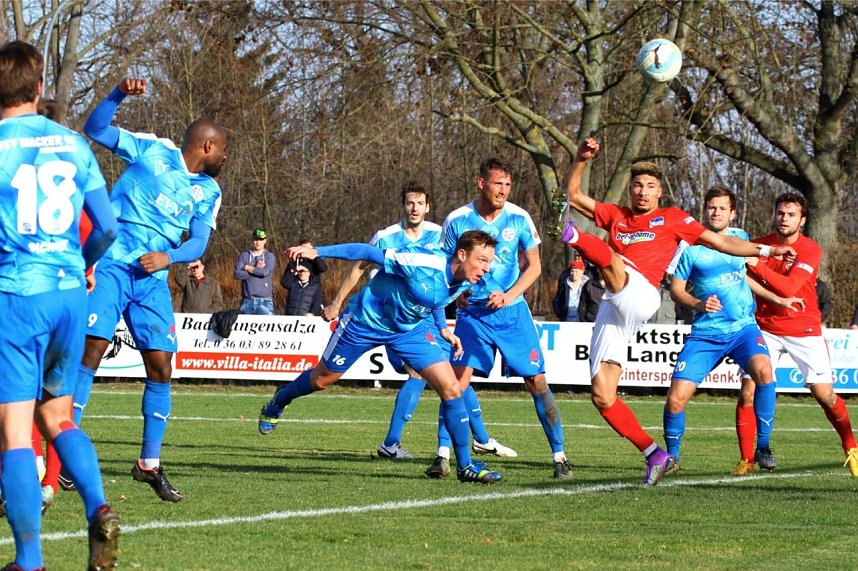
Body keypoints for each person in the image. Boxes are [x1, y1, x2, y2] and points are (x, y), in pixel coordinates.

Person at [561, 137, 795, 485]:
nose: (642, 191)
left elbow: (722, 241)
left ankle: (570, 235)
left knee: (610, 259)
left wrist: (764, 251)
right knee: (603, 396)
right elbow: (574, 195)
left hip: (641, 292)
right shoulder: (616, 216)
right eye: (637, 185)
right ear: (631, 190)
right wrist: (580, 159)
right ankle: (656, 455)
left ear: (659, 194)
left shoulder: (673, 219)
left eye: (650, 186)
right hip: (613, 306)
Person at [76, 77, 227, 503]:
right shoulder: (153, 149)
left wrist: (170, 258)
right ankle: (63, 455)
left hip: (152, 282)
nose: (226, 158)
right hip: (110, 265)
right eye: (225, 150)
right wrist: (118, 94)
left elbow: (198, 242)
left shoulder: (208, 190)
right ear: (208, 147)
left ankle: (149, 464)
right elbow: (97, 129)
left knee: (161, 366)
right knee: (91, 352)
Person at [0, 40, 121, 571]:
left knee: (13, 429)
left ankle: (29, 562)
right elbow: (109, 227)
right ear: (40, 87)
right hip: (71, 292)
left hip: (17, 295)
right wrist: (83, 260)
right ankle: (99, 506)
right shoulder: (73, 144)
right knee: (58, 415)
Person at [258, 231, 504, 484]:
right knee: (321, 380)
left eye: (490, 262)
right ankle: (279, 400)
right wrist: (317, 251)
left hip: (409, 331)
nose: (487, 268)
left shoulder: (467, 279)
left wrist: (442, 329)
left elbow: (437, 299)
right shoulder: (422, 263)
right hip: (364, 323)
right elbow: (366, 252)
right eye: (483, 260)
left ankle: (465, 466)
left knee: (452, 388)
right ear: (462, 255)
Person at [432, 157, 572, 481]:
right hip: (473, 316)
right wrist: (458, 294)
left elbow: (534, 267)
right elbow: (447, 267)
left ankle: (560, 455)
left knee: (536, 381)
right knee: (455, 384)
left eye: (508, 185)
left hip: (512, 313)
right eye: (498, 183)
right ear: (481, 183)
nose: (503, 190)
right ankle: (442, 456)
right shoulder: (457, 220)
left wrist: (509, 296)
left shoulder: (519, 218)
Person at [663, 187, 794, 475]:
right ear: (705, 210)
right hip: (706, 334)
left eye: (722, 208)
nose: (716, 212)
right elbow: (675, 290)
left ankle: (763, 446)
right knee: (676, 398)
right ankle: (671, 459)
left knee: (764, 370)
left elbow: (746, 277)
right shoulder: (689, 246)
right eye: (712, 207)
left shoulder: (741, 238)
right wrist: (698, 302)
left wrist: (777, 299)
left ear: (732, 212)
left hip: (743, 328)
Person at [742, 192, 858, 476]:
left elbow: (789, 288)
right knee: (748, 391)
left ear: (802, 220)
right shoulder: (759, 245)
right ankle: (746, 460)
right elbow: (736, 271)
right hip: (764, 328)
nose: (784, 219)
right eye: (781, 213)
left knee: (825, 395)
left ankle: (851, 447)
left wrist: (755, 263)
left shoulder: (810, 249)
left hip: (803, 329)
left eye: (791, 214)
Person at [234, 229, 276, 315]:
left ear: (265, 240)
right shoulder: (244, 256)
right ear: (252, 240)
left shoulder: (269, 256)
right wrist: (256, 269)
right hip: (247, 301)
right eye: (255, 239)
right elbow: (237, 274)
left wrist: (248, 268)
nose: (258, 242)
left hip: (265, 301)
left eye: (260, 240)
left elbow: (265, 272)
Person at [552, 257, 588, 322]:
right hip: (566, 321)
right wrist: (560, 314)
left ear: (582, 272)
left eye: (576, 271)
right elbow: (556, 301)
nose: (574, 274)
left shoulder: (588, 286)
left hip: (583, 323)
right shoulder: (564, 285)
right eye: (572, 271)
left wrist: (587, 317)